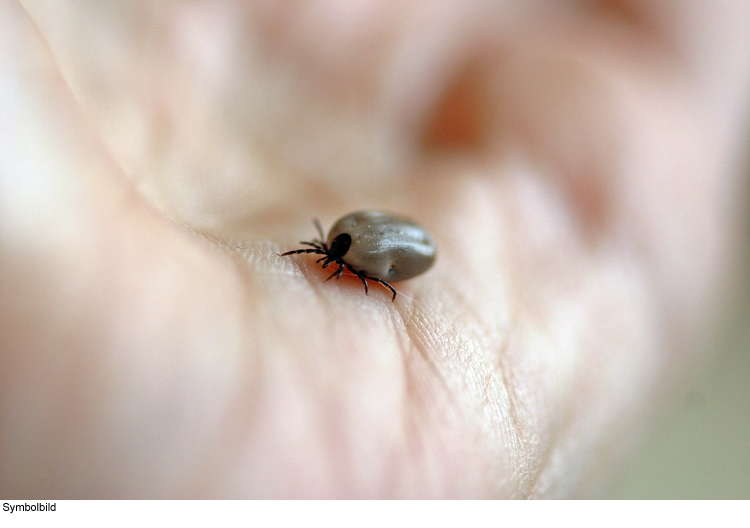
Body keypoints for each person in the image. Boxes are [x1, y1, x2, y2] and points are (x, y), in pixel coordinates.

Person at [1, 0, 749, 498]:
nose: (328, 266)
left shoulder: (356, 247)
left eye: (333, 262)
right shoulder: (352, 248)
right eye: (333, 261)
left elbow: (377, 256)